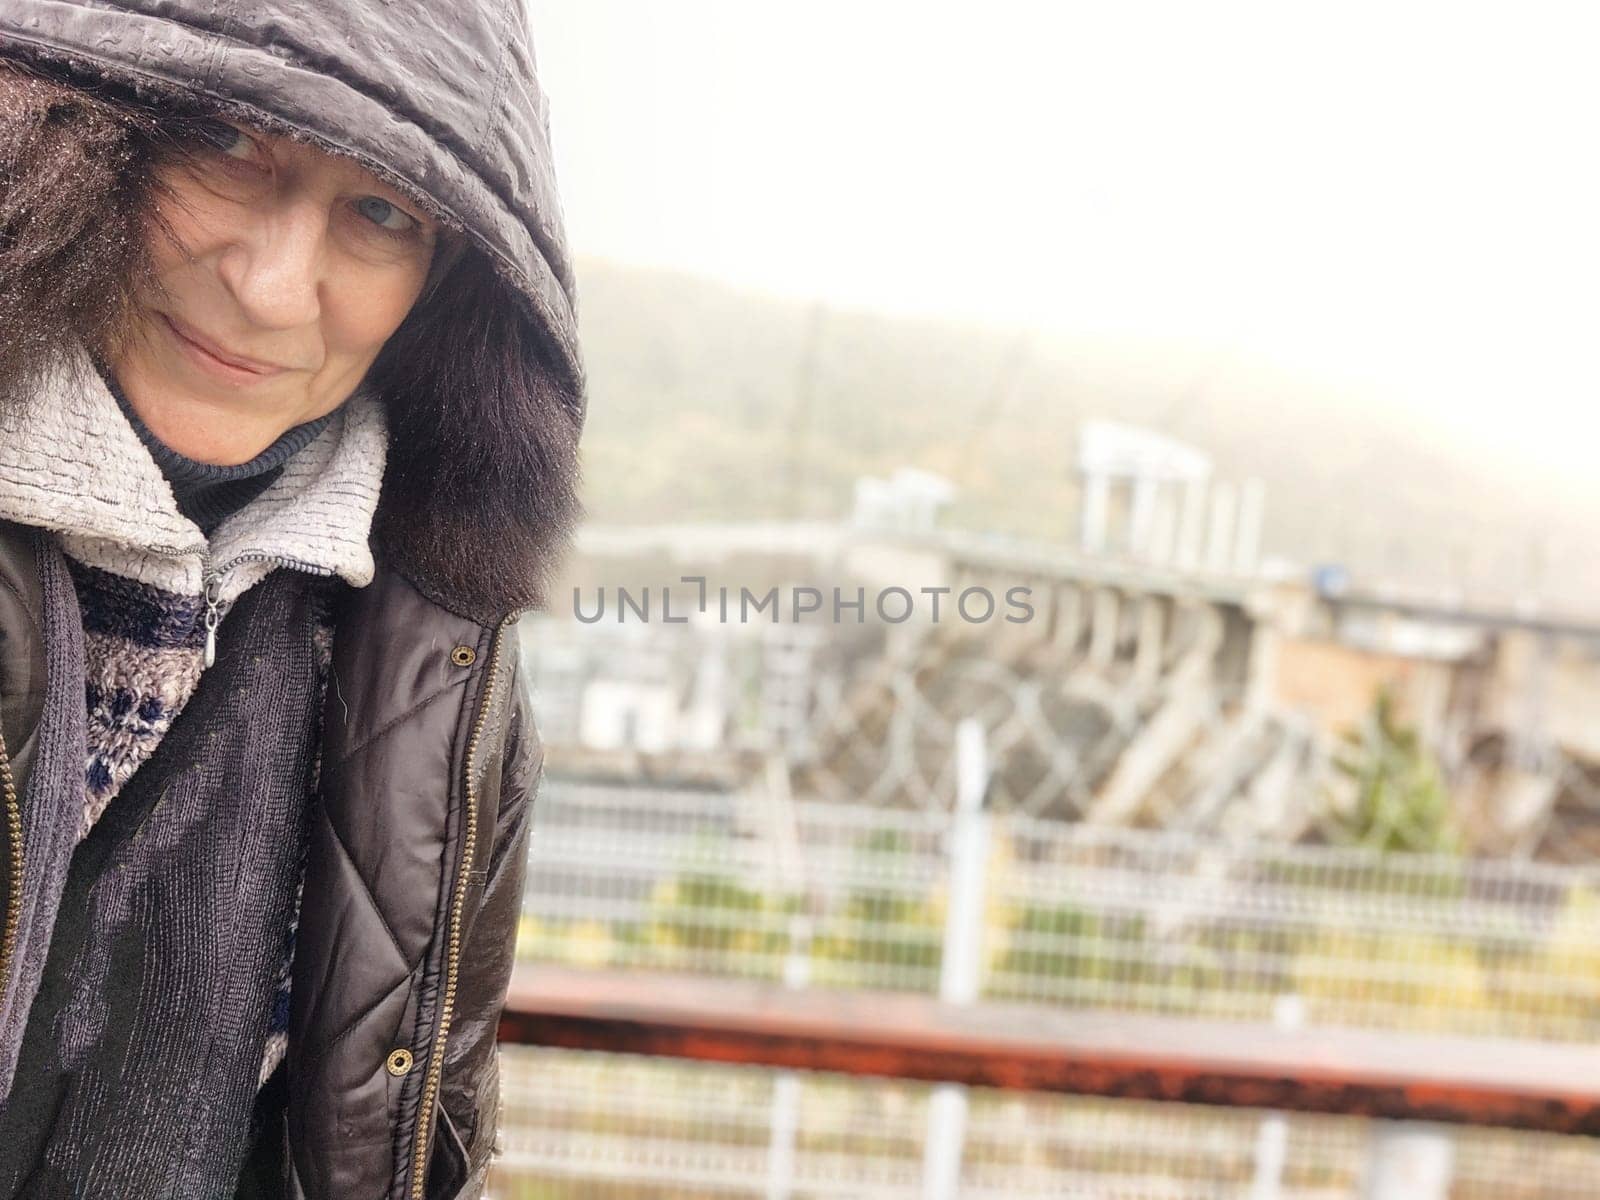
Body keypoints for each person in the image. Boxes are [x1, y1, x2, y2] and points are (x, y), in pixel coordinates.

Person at [0, 2, 585, 1196]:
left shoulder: (435, 666)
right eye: (222, 142)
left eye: (382, 213)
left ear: (450, 293)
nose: (272, 289)